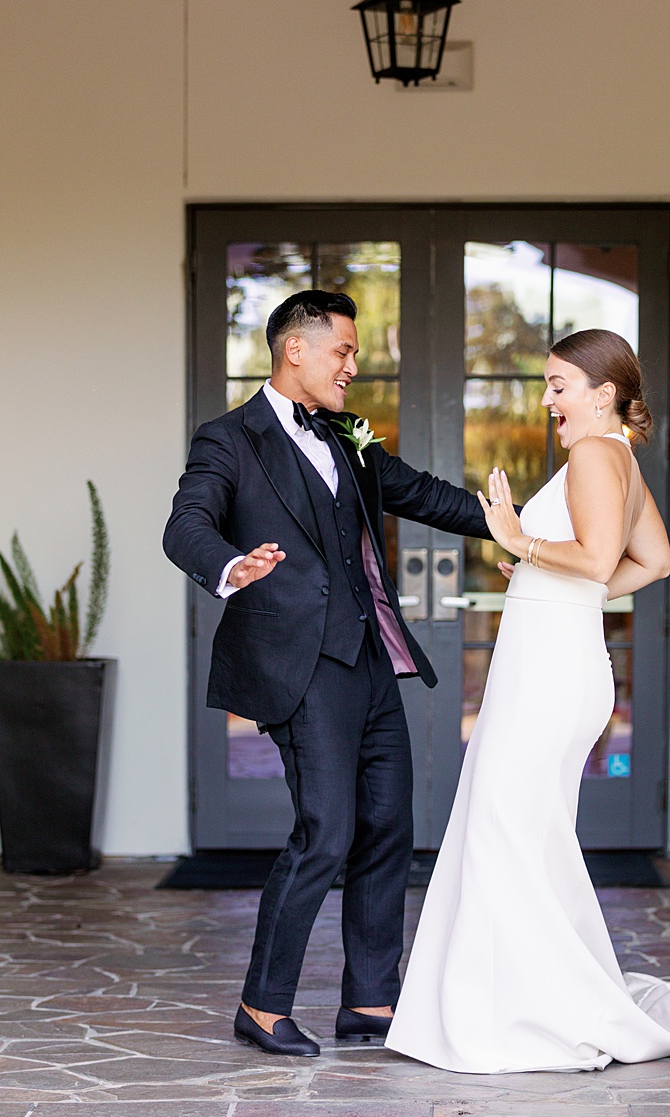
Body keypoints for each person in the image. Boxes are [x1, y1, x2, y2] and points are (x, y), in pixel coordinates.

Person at [388, 328, 670, 1073]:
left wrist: (520, 542)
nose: (547, 400)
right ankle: (523, 994)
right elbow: (651, 561)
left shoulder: (596, 454)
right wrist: (546, 579)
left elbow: (601, 558)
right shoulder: (620, 457)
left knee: (504, 828)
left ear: (604, 392)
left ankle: (525, 1010)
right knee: (525, 832)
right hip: (563, 659)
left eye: (559, 384)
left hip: (551, 670)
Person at [163, 289, 491, 1057]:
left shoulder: (347, 433)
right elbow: (187, 523)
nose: (355, 365)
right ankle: (262, 1003)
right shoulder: (228, 438)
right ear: (295, 351)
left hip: (371, 659)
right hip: (299, 666)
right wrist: (229, 565)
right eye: (344, 350)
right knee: (327, 830)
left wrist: (522, 522)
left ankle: (371, 1000)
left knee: (388, 826)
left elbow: (420, 493)